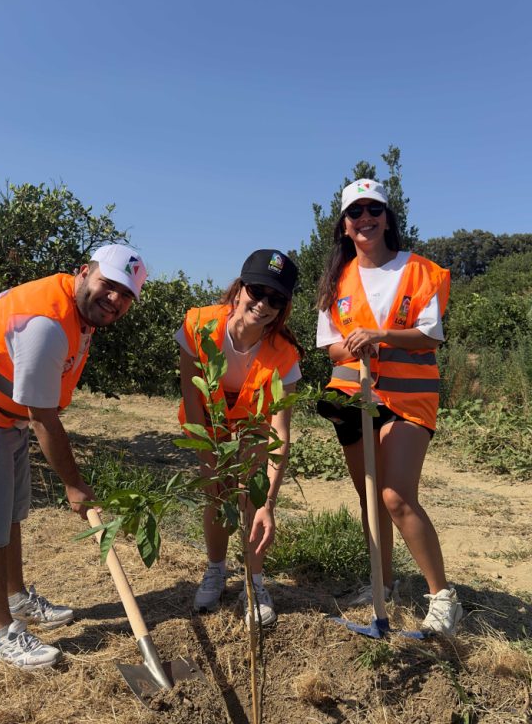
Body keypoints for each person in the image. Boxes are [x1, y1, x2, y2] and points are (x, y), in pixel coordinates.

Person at [0, 244, 148, 668]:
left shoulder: (77, 313)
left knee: (10, 514)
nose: (115, 300)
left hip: (4, 415)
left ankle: (16, 598)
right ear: (84, 273)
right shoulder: (45, 323)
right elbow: (44, 417)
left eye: (126, 295)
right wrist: (75, 484)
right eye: (109, 285)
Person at [316, 179, 463, 635]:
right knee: (369, 495)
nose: (365, 219)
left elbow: (430, 335)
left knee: (395, 495)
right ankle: (382, 583)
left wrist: (378, 337)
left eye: (373, 210)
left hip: (408, 397)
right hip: (354, 396)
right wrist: (351, 350)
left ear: (387, 218)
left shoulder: (419, 270)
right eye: (355, 212)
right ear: (344, 225)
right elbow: (330, 347)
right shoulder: (334, 281)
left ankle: (443, 598)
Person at [176, 249, 302, 628]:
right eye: (258, 291)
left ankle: (254, 581)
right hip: (208, 421)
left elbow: (280, 431)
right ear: (239, 288)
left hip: (252, 425)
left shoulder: (285, 355)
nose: (263, 305)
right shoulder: (197, 326)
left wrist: (270, 504)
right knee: (217, 494)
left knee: (251, 498)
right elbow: (190, 394)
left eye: (276, 299)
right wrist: (206, 456)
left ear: (283, 308)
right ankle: (216, 569)